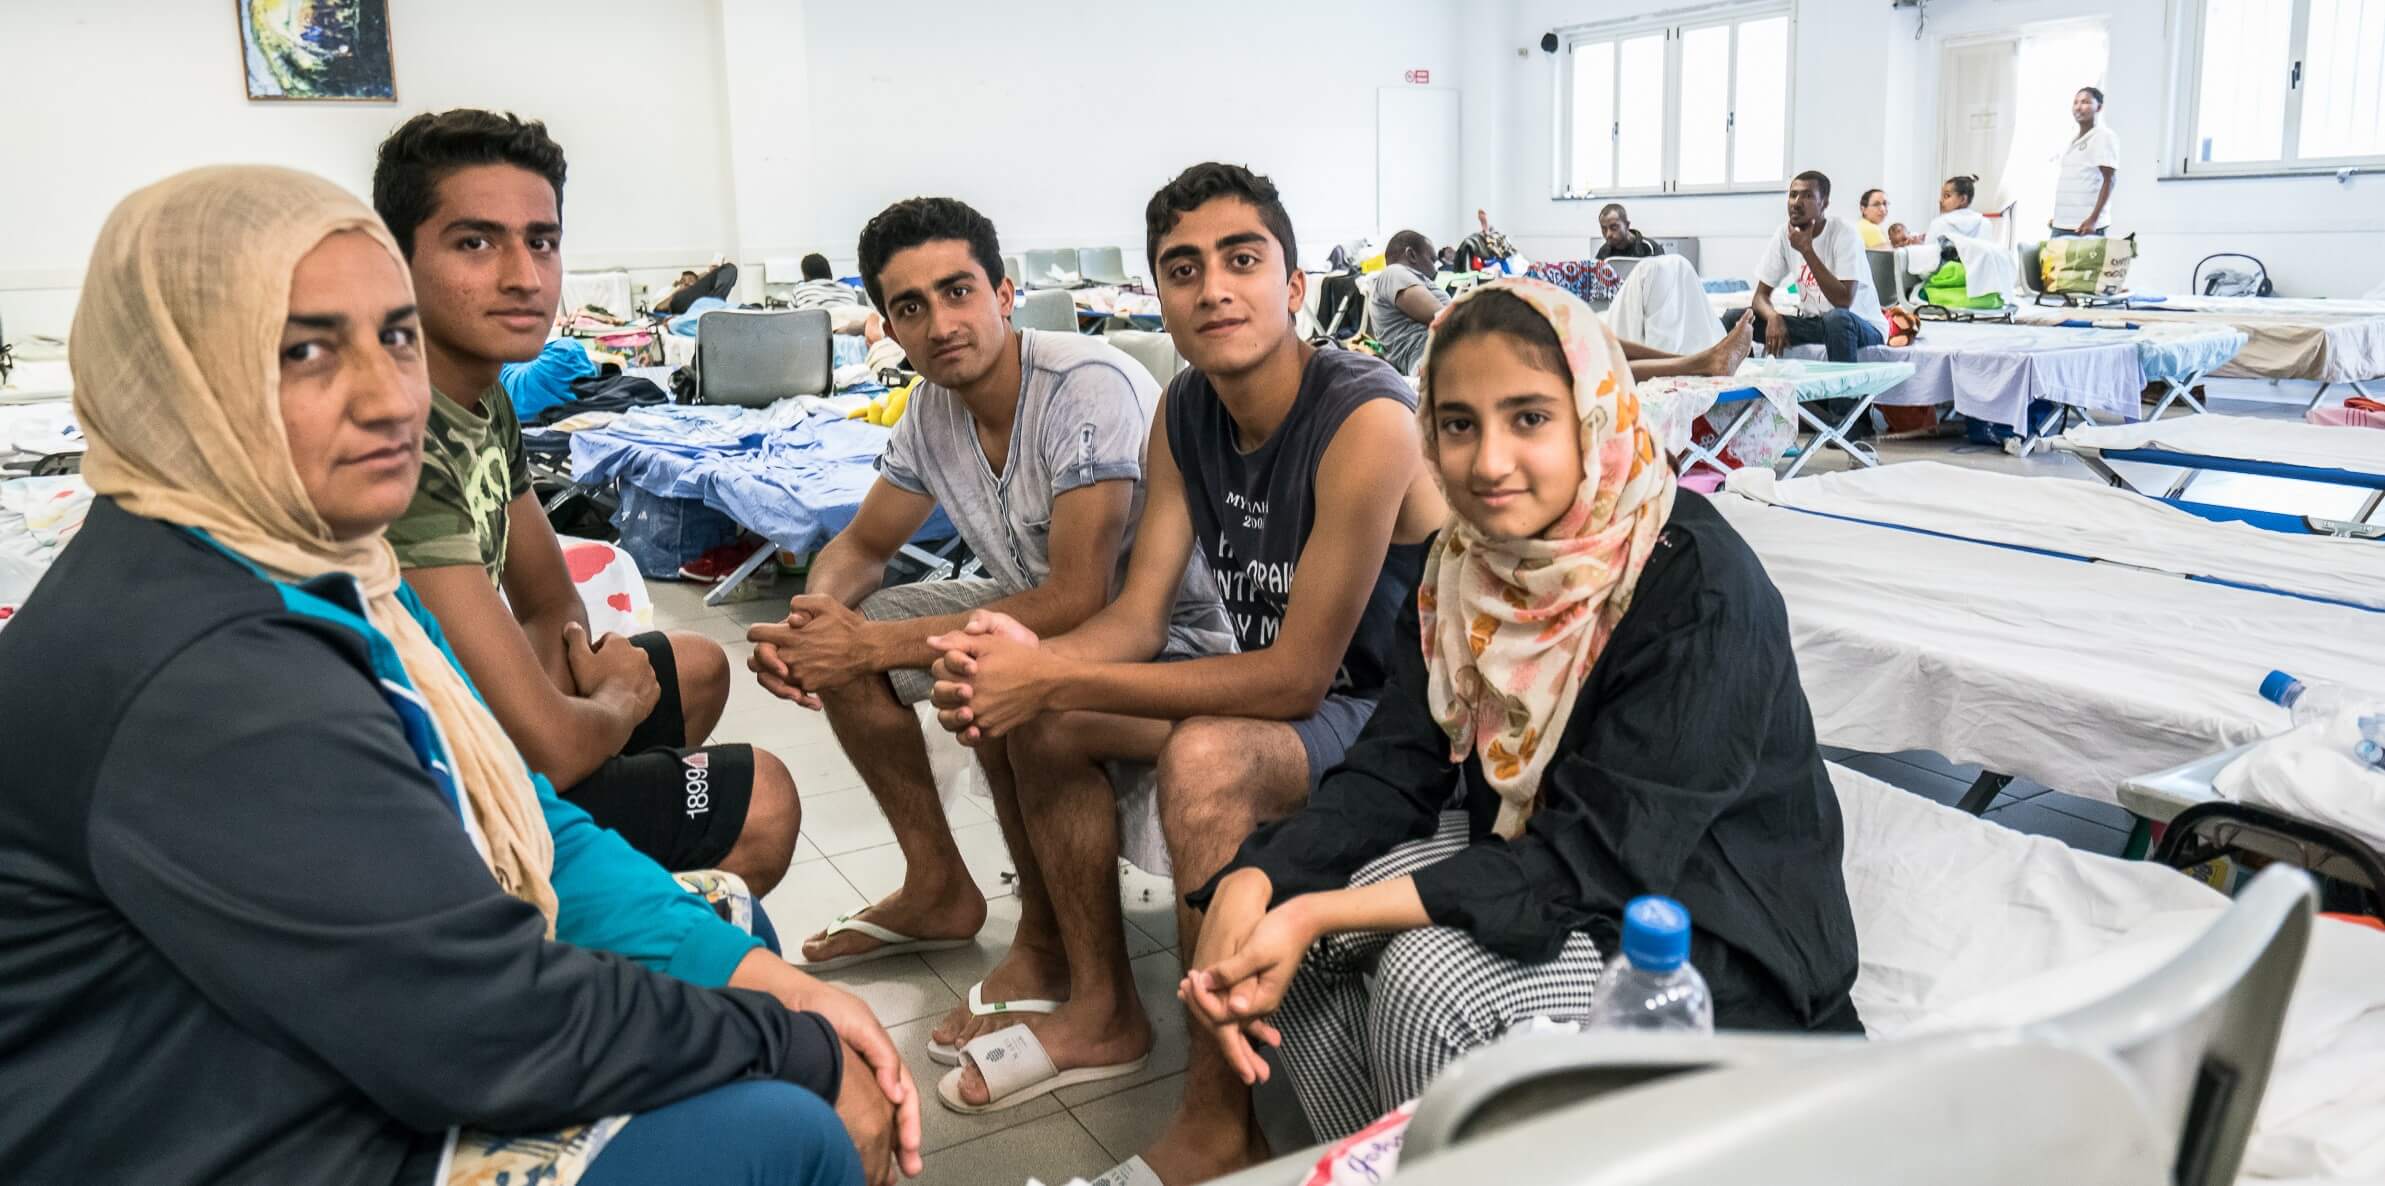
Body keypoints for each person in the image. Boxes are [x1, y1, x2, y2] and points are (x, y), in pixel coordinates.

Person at [0, 163, 921, 1186]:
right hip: (199, 1125)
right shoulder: (200, 662)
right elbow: (480, 1026)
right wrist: (793, 1043)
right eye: (304, 348)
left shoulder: (329, 566)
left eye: (393, 337)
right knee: (785, 1124)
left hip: (291, 1048)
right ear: (171, 373)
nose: (385, 394)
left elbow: (524, 808)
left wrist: (761, 988)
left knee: (733, 940)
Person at [1180, 277, 1864, 1150]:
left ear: (1592, 410)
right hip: (1554, 859)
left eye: (1530, 418)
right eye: (1459, 423)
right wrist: (1258, 878)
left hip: (1705, 928)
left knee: (1429, 986)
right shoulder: (1463, 564)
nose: (1488, 461)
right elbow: (1394, 768)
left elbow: (1599, 855)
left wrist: (1314, 910)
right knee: (1290, 921)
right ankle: (1389, 1166)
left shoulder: (1693, 584)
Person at [919, 163, 1445, 1180]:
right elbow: (1134, 617)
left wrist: (1055, 675)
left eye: (1243, 260)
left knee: (1204, 756)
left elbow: (1299, 679)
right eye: (1184, 268)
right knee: (1041, 720)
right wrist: (1025, 667)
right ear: (1158, 294)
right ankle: (1103, 1010)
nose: (1214, 289)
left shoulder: (1366, 414)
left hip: (1392, 718)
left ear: (1295, 286)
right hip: (1296, 695)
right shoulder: (1182, 411)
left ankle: (1214, 1125)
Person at [742, 195, 1231, 972]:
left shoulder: (1084, 386)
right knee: (856, 632)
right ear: (887, 328)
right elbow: (864, 543)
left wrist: (863, 644)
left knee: (944, 657)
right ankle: (937, 885)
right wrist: (816, 623)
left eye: (957, 291)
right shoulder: (930, 410)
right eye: (910, 307)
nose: (939, 325)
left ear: (1003, 296)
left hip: (1160, 634)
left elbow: (1079, 597)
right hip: (1034, 608)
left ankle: (1054, 939)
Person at [373, 109, 801, 894]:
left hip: (493, 724)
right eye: (475, 242)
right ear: (397, 261)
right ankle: (560, 953)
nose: (523, 275)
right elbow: (539, 742)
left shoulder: (481, 396)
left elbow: (548, 600)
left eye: (540, 240)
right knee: (763, 799)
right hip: (428, 778)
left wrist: (568, 713)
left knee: (699, 666)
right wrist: (596, 715)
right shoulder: (394, 435)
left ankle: (595, 871)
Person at [1739, 171, 1889, 366]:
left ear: (1824, 203)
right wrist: (1773, 316)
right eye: (1793, 195)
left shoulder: (1845, 234)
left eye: (1807, 196)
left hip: (1861, 325)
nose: (1796, 202)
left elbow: (1843, 301)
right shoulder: (1784, 234)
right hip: (1816, 324)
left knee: (1836, 319)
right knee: (1739, 320)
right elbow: (1760, 296)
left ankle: (1843, 396)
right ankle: (1749, 392)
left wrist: (1807, 250)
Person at [1369, 229, 1448, 374]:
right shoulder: (1394, 273)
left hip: (1442, 356)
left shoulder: (1410, 278)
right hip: (1435, 359)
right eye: (1432, 259)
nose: (1435, 269)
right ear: (1411, 255)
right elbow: (1443, 317)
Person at [2052, 87, 2117, 237]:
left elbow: (2110, 179)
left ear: (2099, 107)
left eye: (2085, 102)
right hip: (2062, 224)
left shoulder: (2103, 136)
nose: (2078, 107)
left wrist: (2093, 220)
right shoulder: (2073, 140)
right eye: (2075, 103)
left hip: (2085, 227)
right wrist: (2060, 217)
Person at [657, 258, 740, 315]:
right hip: (683, 305)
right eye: (683, 280)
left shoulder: (702, 287)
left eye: (690, 279)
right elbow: (658, 309)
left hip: (703, 305)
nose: (686, 282)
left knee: (729, 269)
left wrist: (708, 273)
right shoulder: (676, 292)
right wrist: (677, 290)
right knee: (729, 268)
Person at [1924, 175, 1990, 246]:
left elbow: (1928, 254)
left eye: (1947, 196)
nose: (1940, 200)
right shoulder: (1985, 224)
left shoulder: (1938, 224)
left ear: (1963, 199)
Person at [789, 252, 863, 310]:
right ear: (829, 273)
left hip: (815, 327)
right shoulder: (848, 289)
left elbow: (791, 316)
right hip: (848, 327)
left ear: (806, 276)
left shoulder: (800, 290)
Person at [1595, 203, 1662, 260]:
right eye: (1604, 229)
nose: (1608, 234)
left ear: (1627, 225)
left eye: (1614, 227)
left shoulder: (1649, 248)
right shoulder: (1603, 252)